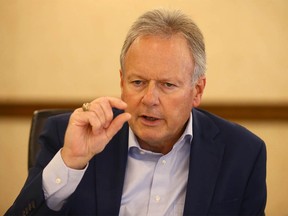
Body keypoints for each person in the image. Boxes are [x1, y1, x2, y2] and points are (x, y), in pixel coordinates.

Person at [6, 9, 266, 216]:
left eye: (167, 85)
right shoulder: (66, 137)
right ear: (122, 83)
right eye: (138, 82)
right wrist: (71, 162)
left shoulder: (242, 153)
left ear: (197, 90)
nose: (149, 99)